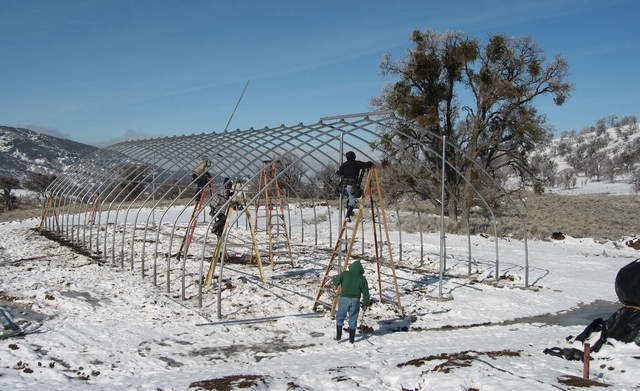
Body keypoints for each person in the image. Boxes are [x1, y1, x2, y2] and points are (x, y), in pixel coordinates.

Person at [331, 260, 370, 343]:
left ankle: (338, 337)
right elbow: (366, 292)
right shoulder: (362, 278)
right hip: (355, 300)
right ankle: (351, 340)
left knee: (340, 317)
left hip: (344, 299)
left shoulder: (345, 274)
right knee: (353, 319)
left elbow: (335, 282)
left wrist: (335, 280)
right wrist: (365, 303)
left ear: (351, 267)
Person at [336, 151, 374, 221]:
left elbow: (339, 173)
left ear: (347, 157)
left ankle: (350, 211)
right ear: (354, 157)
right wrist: (370, 163)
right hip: (351, 186)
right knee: (353, 201)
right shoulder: (356, 163)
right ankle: (347, 216)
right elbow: (366, 165)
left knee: (350, 198)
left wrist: (337, 172)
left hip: (343, 187)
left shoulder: (344, 164)